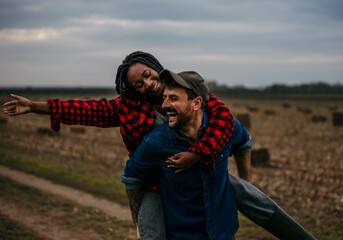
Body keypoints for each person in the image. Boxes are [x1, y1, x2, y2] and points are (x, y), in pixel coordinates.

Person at [2, 51, 316, 240]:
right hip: (157, 178)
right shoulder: (127, 108)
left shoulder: (182, 87)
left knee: (254, 199)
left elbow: (223, 116)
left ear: (155, 68)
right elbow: (85, 109)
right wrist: (35, 106)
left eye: (149, 76)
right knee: (150, 233)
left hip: (204, 164)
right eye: (138, 84)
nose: (148, 85)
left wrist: (198, 152)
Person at [122, 69, 245, 239]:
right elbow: (132, 178)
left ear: (196, 103)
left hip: (224, 233)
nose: (164, 105)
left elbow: (244, 143)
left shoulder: (225, 129)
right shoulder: (155, 143)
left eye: (173, 98)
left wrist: (246, 183)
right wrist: (138, 222)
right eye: (165, 98)